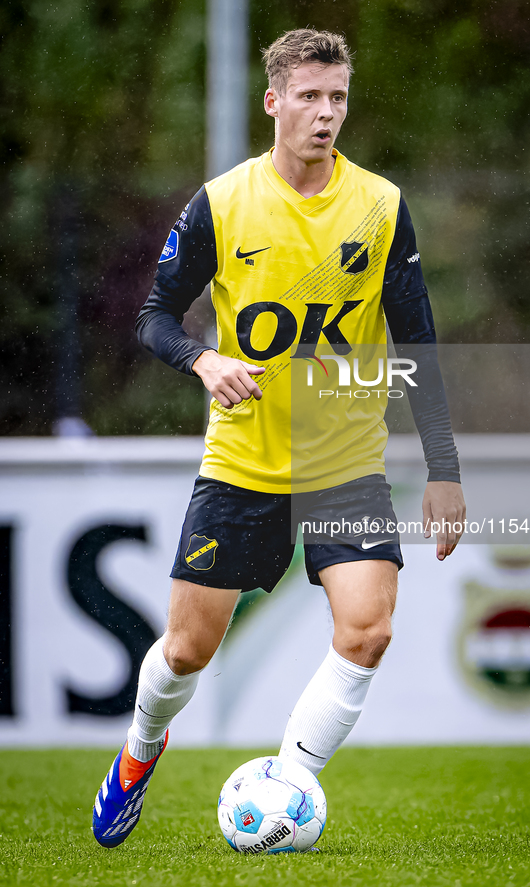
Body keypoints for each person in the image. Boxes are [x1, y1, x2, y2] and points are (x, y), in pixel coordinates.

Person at [92, 28, 466, 848]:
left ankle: (287, 785)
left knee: (367, 627)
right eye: (309, 97)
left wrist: (443, 468)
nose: (325, 113)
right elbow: (153, 317)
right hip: (242, 464)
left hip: (345, 466)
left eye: (337, 98)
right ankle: (136, 754)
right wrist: (202, 358)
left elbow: (418, 341)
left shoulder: (377, 205)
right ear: (273, 102)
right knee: (188, 649)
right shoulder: (223, 202)